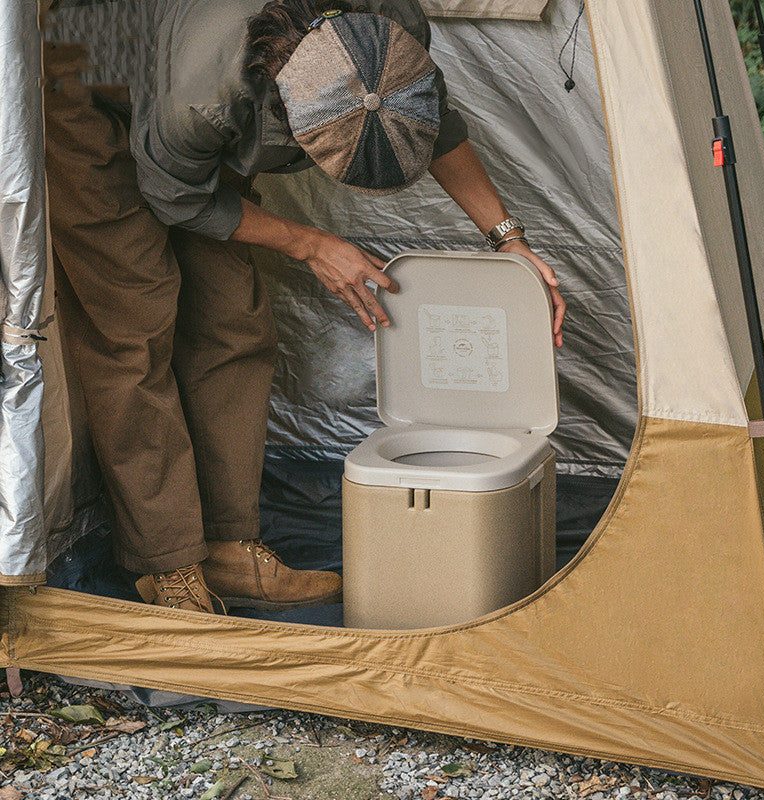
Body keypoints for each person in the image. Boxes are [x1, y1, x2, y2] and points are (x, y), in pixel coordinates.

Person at [44, 0, 565, 615]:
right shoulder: (206, 97)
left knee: (231, 318)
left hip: (186, 72)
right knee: (133, 322)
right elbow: (175, 195)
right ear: (287, 110)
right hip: (80, 77)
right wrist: (310, 243)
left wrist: (509, 242)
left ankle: (230, 548)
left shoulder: (391, 31)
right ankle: (169, 564)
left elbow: (436, 120)